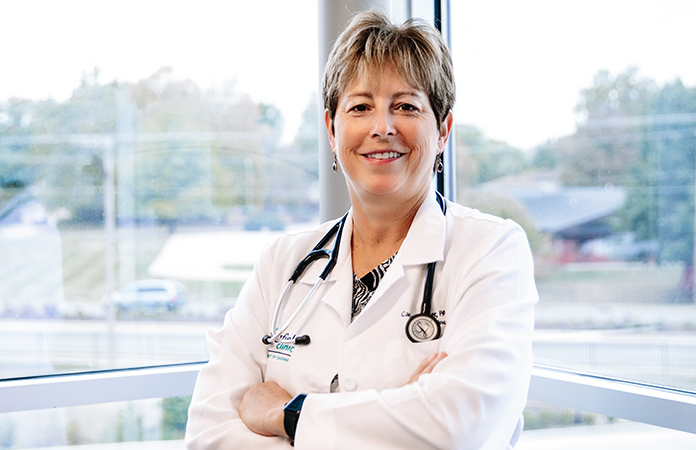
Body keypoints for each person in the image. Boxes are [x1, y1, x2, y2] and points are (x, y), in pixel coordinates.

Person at [185, 11, 537, 449]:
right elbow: (208, 432)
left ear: (443, 130)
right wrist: (401, 415)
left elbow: (460, 425)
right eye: (360, 107)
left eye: (406, 106)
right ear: (332, 130)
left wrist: (287, 414)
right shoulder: (282, 263)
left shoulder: (490, 250)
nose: (382, 128)